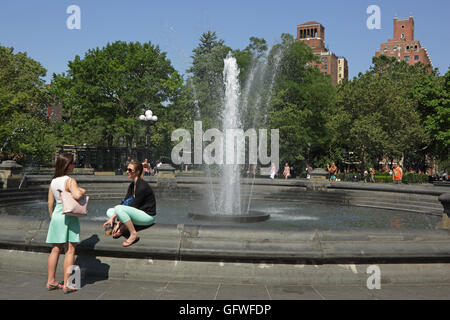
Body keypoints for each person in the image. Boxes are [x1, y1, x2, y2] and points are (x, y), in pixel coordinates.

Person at [46, 153, 86, 294]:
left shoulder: (53, 181)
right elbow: (77, 195)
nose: (75, 165)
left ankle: (51, 281)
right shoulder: (70, 180)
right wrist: (82, 190)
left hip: (57, 215)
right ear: (67, 165)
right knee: (70, 249)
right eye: (73, 163)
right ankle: (68, 284)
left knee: (55, 249)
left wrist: (53, 218)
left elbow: (50, 202)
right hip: (68, 216)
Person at [103, 160, 156, 247]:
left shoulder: (142, 186)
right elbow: (125, 203)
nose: (127, 171)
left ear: (137, 172)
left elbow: (133, 206)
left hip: (147, 217)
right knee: (109, 211)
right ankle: (125, 227)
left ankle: (133, 233)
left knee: (118, 209)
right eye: (127, 169)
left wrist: (119, 223)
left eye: (130, 170)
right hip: (136, 214)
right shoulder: (132, 185)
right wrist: (111, 218)